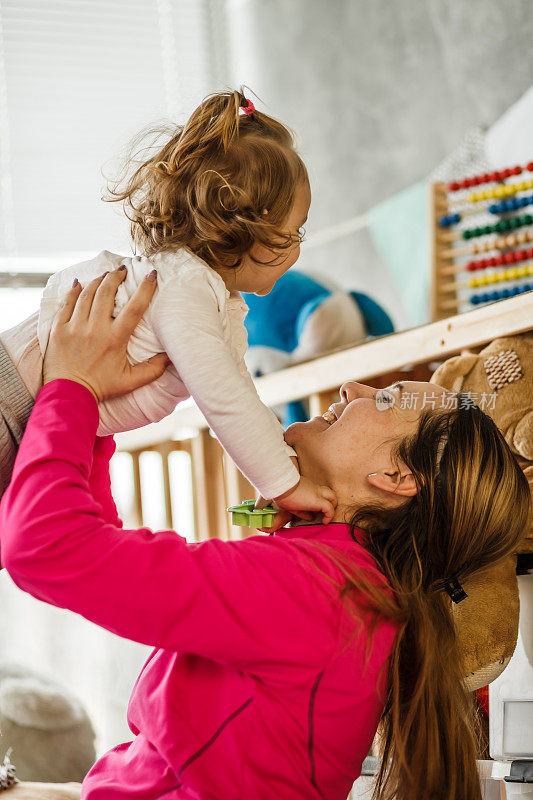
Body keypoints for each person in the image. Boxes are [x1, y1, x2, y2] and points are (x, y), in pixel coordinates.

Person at [0, 269, 530, 800]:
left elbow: (45, 547)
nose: (352, 388)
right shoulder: (341, 584)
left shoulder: (316, 591)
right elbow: (91, 546)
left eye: (387, 400)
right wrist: (91, 420)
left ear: (396, 479)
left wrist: (73, 389)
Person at [0, 87, 335, 525]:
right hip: (11, 401)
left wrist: (276, 471)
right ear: (244, 229)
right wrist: (285, 484)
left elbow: (240, 393)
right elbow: (223, 397)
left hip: (31, 416)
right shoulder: (182, 286)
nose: (298, 249)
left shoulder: (205, 293)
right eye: (295, 232)